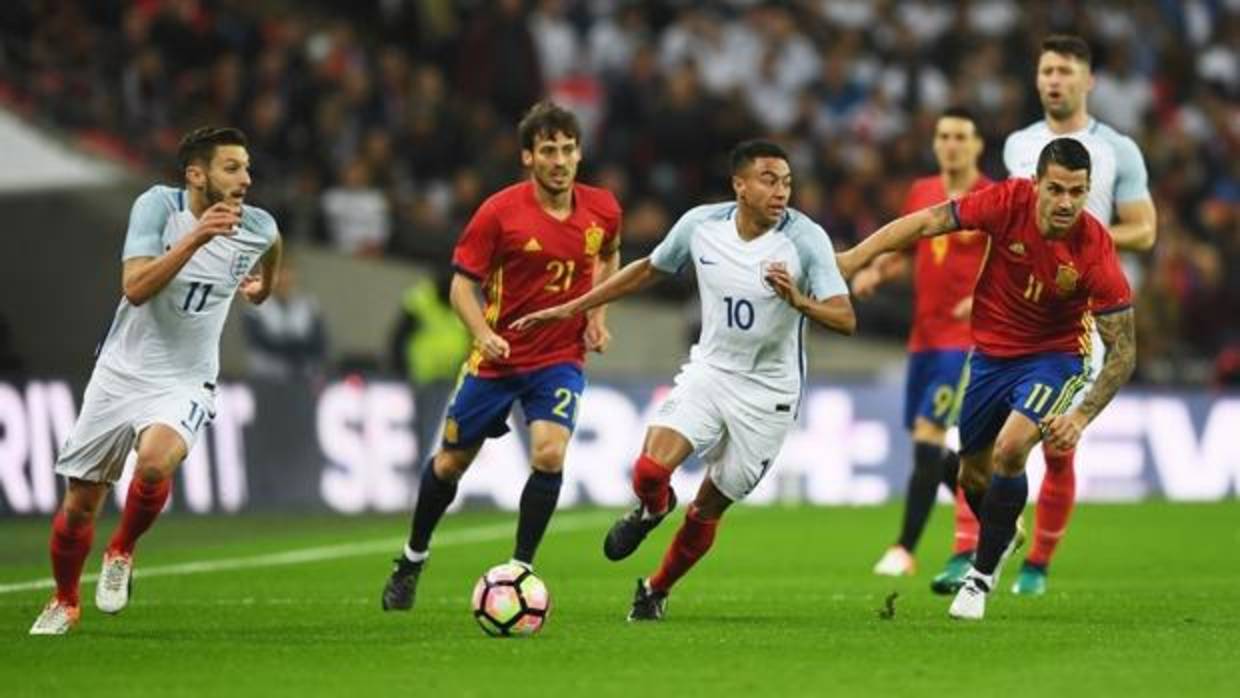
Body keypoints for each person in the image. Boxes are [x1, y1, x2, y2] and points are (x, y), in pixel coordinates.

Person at [513, 140, 855, 621]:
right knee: (650, 471)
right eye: (769, 180)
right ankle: (652, 509)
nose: (781, 192)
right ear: (739, 185)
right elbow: (647, 270)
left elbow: (844, 318)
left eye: (787, 182)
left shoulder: (805, 239)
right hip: (711, 372)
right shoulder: (701, 226)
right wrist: (575, 306)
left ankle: (655, 589)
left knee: (707, 509)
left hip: (770, 395)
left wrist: (799, 301)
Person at [837, 138, 1136, 621]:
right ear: (1035, 184)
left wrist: (1080, 416)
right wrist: (855, 257)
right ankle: (1005, 530)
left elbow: (1124, 350)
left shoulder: (1094, 249)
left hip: (1055, 358)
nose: (1065, 202)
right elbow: (930, 221)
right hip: (991, 357)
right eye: (1056, 189)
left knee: (1010, 449)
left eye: (1076, 192)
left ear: (1087, 191)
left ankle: (979, 577)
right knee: (970, 474)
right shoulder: (1007, 202)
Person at [29, 127, 282, 635]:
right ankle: (64, 601)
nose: (246, 179)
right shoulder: (157, 208)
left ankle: (122, 548)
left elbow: (273, 244)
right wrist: (197, 237)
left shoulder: (256, 226)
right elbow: (135, 288)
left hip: (186, 378)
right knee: (80, 505)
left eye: (247, 167)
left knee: (153, 463)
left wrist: (263, 287)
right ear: (197, 175)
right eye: (232, 168)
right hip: (121, 372)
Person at [380, 101, 622, 612]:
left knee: (550, 454)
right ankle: (411, 559)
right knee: (449, 466)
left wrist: (597, 316)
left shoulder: (603, 209)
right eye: (548, 150)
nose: (560, 160)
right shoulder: (499, 212)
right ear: (528, 157)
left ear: (579, 155)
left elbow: (609, 256)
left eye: (568, 150)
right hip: (497, 361)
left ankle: (520, 568)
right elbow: (461, 287)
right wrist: (483, 333)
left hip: (559, 357)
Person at [996, 34, 1156, 596]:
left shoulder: (1119, 150)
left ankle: (1037, 561)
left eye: (1065, 71)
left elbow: (1146, 228)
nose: (1053, 81)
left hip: (1086, 309)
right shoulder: (1018, 145)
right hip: (1020, 307)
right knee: (989, 433)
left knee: (1058, 438)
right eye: (1046, 71)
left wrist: (1079, 240)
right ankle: (977, 547)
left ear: (1088, 81)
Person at [851, 108, 989, 588]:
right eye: (944, 136)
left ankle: (904, 548)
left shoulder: (991, 198)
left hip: (966, 341)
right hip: (924, 338)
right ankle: (1001, 521)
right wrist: (877, 270)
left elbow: (1012, 256)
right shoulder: (922, 192)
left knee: (931, 436)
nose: (951, 144)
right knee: (929, 448)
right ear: (936, 144)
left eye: (960, 136)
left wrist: (983, 295)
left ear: (977, 146)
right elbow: (906, 250)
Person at [389, 271, 472, 464]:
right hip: (420, 379)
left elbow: (471, 343)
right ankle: (420, 469)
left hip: (451, 383)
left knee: (445, 433)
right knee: (423, 429)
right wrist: (400, 370)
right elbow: (400, 336)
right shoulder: (421, 299)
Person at [242, 254, 328, 383]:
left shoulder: (308, 305)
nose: (283, 278)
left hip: (304, 376)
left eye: (287, 272)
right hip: (266, 377)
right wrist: (294, 350)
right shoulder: (255, 306)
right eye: (278, 273)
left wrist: (304, 356)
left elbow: (320, 341)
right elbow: (259, 341)